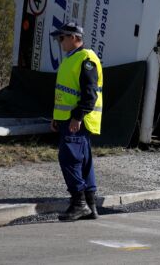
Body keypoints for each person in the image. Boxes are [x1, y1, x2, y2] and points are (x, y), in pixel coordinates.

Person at [50, 22, 103, 221]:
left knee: (70, 160)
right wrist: (57, 117)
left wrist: (77, 116)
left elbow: (90, 94)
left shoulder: (85, 59)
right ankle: (90, 205)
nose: (60, 41)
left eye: (62, 38)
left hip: (77, 121)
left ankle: (79, 203)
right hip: (68, 119)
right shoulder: (72, 58)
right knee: (84, 163)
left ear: (74, 37)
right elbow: (66, 91)